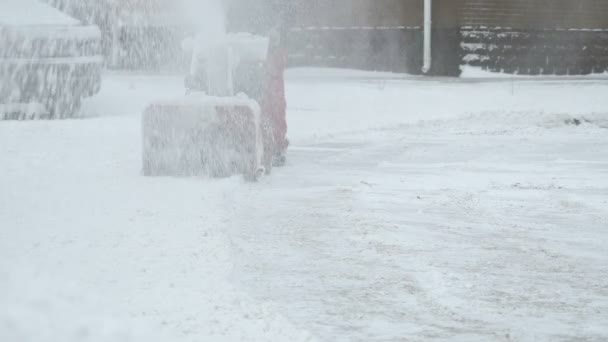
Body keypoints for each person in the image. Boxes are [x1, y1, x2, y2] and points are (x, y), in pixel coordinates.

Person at [261, 25, 288, 167]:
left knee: (278, 119)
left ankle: (278, 147)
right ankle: (268, 146)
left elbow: (276, 68)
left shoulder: (279, 53)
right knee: (266, 118)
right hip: (266, 93)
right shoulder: (263, 54)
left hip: (276, 92)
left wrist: (265, 66)